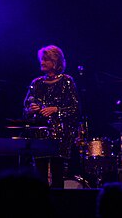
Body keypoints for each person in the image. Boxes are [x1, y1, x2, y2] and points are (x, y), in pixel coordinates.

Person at [23, 44, 81, 188]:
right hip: (39, 135)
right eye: (42, 59)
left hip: (60, 136)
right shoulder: (36, 83)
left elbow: (75, 109)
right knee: (39, 177)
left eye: (46, 60)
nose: (42, 62)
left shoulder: (67, 81)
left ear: (56, 62)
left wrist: (56, 109)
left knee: (57, 175)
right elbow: (25, 109)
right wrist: (31, 109)